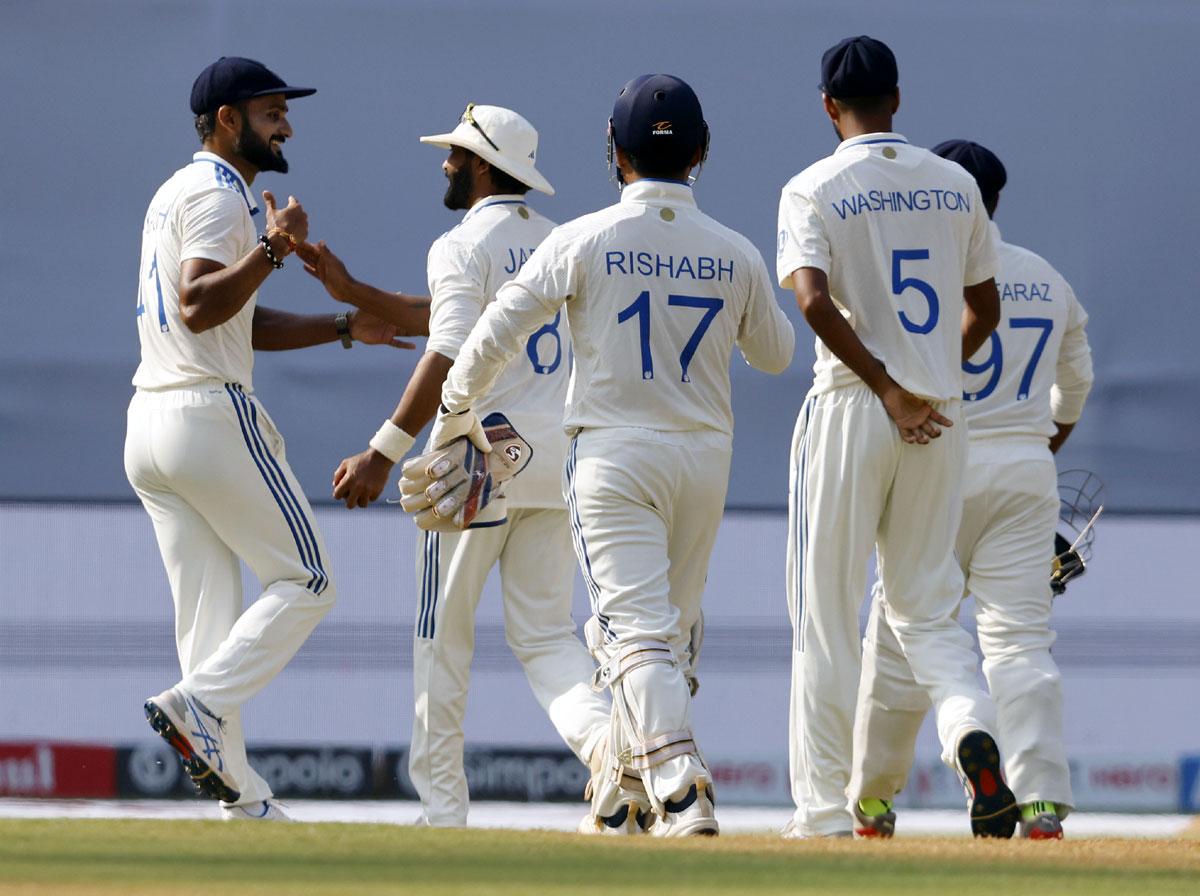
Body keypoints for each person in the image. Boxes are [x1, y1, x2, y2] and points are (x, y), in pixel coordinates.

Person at [424, 74, 795, 836]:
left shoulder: (583, 238)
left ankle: (681, 782)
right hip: (703, 454)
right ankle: (622, 787)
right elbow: (777, 353)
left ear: (613, 154)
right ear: (702, 153)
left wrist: (453, 411)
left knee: (635, 633)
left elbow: (497, 328)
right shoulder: (735, 250)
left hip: (613, 456)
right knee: (667, 631)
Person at [127, 56, 425, 821]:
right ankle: (196, 707)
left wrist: (341, 326)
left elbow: (232, 321)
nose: (286, 124)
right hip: (204, 416)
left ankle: (241, 802)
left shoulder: (174, 191)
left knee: (209, 618)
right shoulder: (222, 194)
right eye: (270, 113)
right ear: (228, 120)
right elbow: (199, 305)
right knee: (308, 582)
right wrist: (273, 246)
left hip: (151, 424)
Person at [303, 103, 612, 827]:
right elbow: (454, 318)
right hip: (554, 459)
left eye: (453, 154)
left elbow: (447, 349)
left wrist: (383, 450)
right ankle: (610, 751)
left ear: (480, 165)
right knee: (545, 637)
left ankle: (443, 812)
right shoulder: (566, 241)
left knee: (441, 637)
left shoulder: (459, 241)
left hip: (474, 459)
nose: (444, 164)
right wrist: (354, 296)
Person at [776, 36, 1015, 838]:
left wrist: (886, 387)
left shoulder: (812, 185)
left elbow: (811, 302)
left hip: (853, 404)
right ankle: (969, 734)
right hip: (940, 414)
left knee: (827, 613)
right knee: (927, 611)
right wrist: (927, 379)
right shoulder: (955, 185)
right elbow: (986, 309)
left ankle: (820, 813)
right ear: (899, 99)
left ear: (827, 107)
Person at [849, 139, 1094, 840]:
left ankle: (873, 799)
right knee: (1019, 642)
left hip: (936, 463)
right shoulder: (1047, 279)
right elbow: (1076, 387)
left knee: (899, 634)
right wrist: (1037, 449)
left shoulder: (916, 280)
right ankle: (1041, 800)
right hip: (1023, 469)